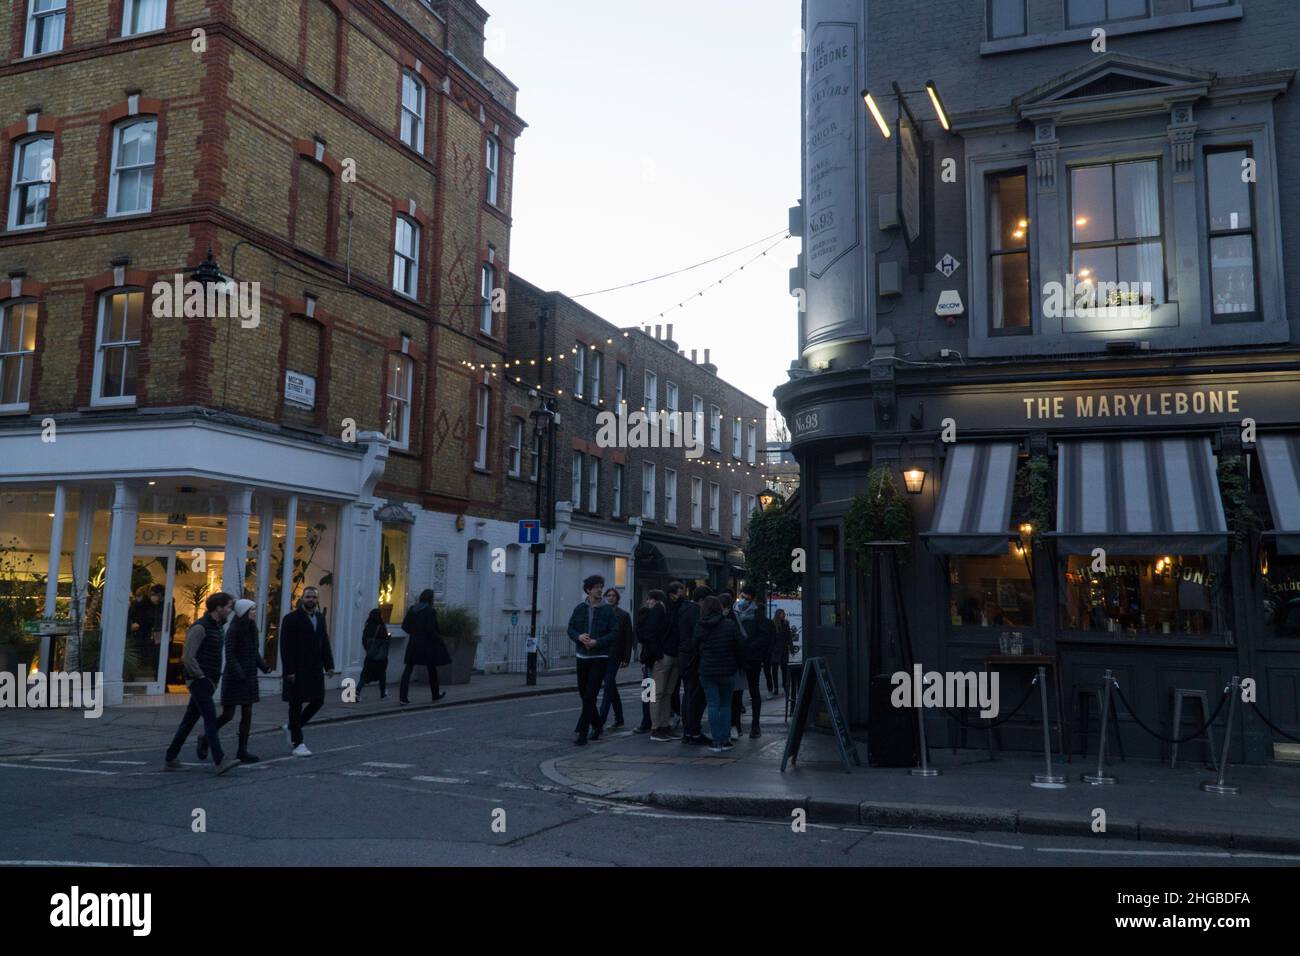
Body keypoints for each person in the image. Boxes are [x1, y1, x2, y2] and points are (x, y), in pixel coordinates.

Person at [163, 592, 239, 774]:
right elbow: (188, 657)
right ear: (218, 608)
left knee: (189, 720)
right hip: (200, 680)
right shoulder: (200, 628)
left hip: (209, 680)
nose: (230, 611)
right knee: (210, 720)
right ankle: (220, 761)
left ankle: (170, 757)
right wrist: (200, 677)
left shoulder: (218, 626)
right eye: (227, 607)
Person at [198, 598, 272, 763]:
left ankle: (242, 750)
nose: (254, 612)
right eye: (252, 610)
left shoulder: (252, 629)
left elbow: (254, 653)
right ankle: (205, 738)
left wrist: (264, 666)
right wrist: (239, 673)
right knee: (228, 715)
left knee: (247, 714)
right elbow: (230, 656)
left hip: (249, 677)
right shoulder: (234, 630)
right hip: (235, 679)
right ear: (244, 612)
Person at [279, 586, 334, 756]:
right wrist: (289, 670)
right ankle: (298, 743)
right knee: (295, 704)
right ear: (302, 598)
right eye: (308, 597)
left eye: (314, 597)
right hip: (297, 668)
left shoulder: (320, 618)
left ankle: (293, 727)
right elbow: (285, 646)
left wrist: (329, 665)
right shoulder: (291, 619)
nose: (311, 600)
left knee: (318, 700)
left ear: (317, 600)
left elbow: (324, 641)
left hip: (315, 668)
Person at [567, 574, 617, 745]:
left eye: (601, 586)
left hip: (600, 656)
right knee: (583, 693)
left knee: (591, 694)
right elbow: (571, 628)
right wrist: (579, 637)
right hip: (582, 655)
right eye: (596, 586)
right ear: (588, 590)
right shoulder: (579, 608)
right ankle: (597, 724)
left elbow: (614, 633)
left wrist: (597, 642)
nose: (600, 589)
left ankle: (582, 732)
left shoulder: (608, 610)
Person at [694, 595, 744, 754]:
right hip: (728, 670)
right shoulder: (729, 625)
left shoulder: (700, 626)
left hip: (707, 670)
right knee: (725, 704)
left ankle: (716, 741)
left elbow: (693, 647)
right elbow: (740, 645)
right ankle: (726, 739)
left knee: (713, 705)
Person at [676, 585, 713, 746]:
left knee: (688, 695)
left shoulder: (684, 609)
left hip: (684, 657)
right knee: (695, 696)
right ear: (701, 600)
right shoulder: (695, 613)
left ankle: (688, 732)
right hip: (693, 658)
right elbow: (698, 636)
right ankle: (694, 731)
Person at [400, 590, 451, 703]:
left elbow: (404, 626)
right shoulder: (430, 611)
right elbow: (431, 629)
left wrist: (414, 632)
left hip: (413, 643)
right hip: (427, 645)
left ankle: (403, 697)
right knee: (432, 669)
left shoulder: (413, 609)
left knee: (408, 669)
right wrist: (438, 638)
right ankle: (435, 694)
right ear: (430, 599)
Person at [649, 582, 685, 741]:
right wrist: (658, 654)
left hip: (674, 653)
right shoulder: (661, 608)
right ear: (672, 593)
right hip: (664, 655)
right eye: (679, 593)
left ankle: (664, 725)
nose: (681, 595)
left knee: (668, 693)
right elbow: (652, 632)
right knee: (657, 693)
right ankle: (655, 727)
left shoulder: (678, 607)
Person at [735, 586, 771, 738]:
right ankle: (735, 725)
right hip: (737, 658)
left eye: (747, 598)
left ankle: (755, 725)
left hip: (752, 658)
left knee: (754, 690)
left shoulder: (758, 614)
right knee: (736, 693)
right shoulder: (734, 611)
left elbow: (764, 636)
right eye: (742, 596)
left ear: (752, 599)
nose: (744, 600)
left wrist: (750, 646)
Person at [597, 587, 634, 728]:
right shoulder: (601, 613)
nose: (611, 597)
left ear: (617, 599)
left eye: (613, 595)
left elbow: (628, 638)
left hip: (615, 655)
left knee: (608, 686)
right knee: (610, 685)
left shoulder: (624, 615)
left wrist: (626, 657)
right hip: (602, 654)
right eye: (608, 595)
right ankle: (619, 718)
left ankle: (601, 720)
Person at [633, 590, 668, 734]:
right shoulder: (655, 615)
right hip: (652, 658)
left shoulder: (652, 615)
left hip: (651, 658)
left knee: (651, 691)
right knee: (653, 691)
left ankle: (649, 720)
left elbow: (644, 638)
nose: (648, 602)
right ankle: (650, 720)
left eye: (650, 599)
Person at [358, 608, 390, 701]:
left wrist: (368, 649)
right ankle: (383, 693)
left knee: (365, 674)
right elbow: (385, 640)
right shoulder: (381, 626)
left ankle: (357, 691)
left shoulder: (368, 625)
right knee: (382, 675)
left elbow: (364, 640)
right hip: (381, 656)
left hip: (370, 655)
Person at [768, 608, 792, 698]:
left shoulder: (786, 623)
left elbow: (789, 636)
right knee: (774, 670)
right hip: (775, 650)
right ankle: (776, 688)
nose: (784, 615)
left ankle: (785, 687)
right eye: (782, 613)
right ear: (778, 614)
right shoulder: (773, 624)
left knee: (784, 669)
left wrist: (791, 648)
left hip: (783, 650)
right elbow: (771, 637)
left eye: (784, 613)